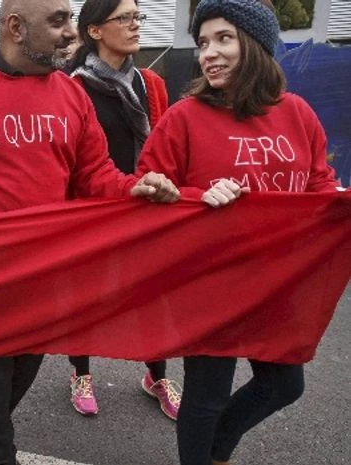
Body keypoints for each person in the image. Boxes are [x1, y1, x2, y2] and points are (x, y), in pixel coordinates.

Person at [0, 0, 180, 463]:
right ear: (16, 27)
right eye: (58, 21)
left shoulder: (72, 93)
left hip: (45, 274)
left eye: (70, 20)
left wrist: (132, 186)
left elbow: (94, 173)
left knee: (25, 366)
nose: (71, 33)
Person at [135, 1, 341, 464]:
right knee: (207, 395)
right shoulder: (184, 117)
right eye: (203, 42)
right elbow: (149, 190)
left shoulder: (298, 113)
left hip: (278, 283)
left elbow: (317, 188)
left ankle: (217, 452)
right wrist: (196, 194)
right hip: (210, 282)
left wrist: (338, 199)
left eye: (223, 38)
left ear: (256, 45)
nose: (209, 52)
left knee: (285, 384)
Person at [65, 0, 181, 420]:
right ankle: (81, 373)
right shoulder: (73, 86)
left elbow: (163, 147)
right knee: (87, 296)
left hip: (144, 204)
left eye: (138, 17)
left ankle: (156, 374)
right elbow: (76, 161)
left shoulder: (150, 83)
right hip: (93, 208)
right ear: (94, 30)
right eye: (125, 18)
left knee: (153, 294)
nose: (135, 26)